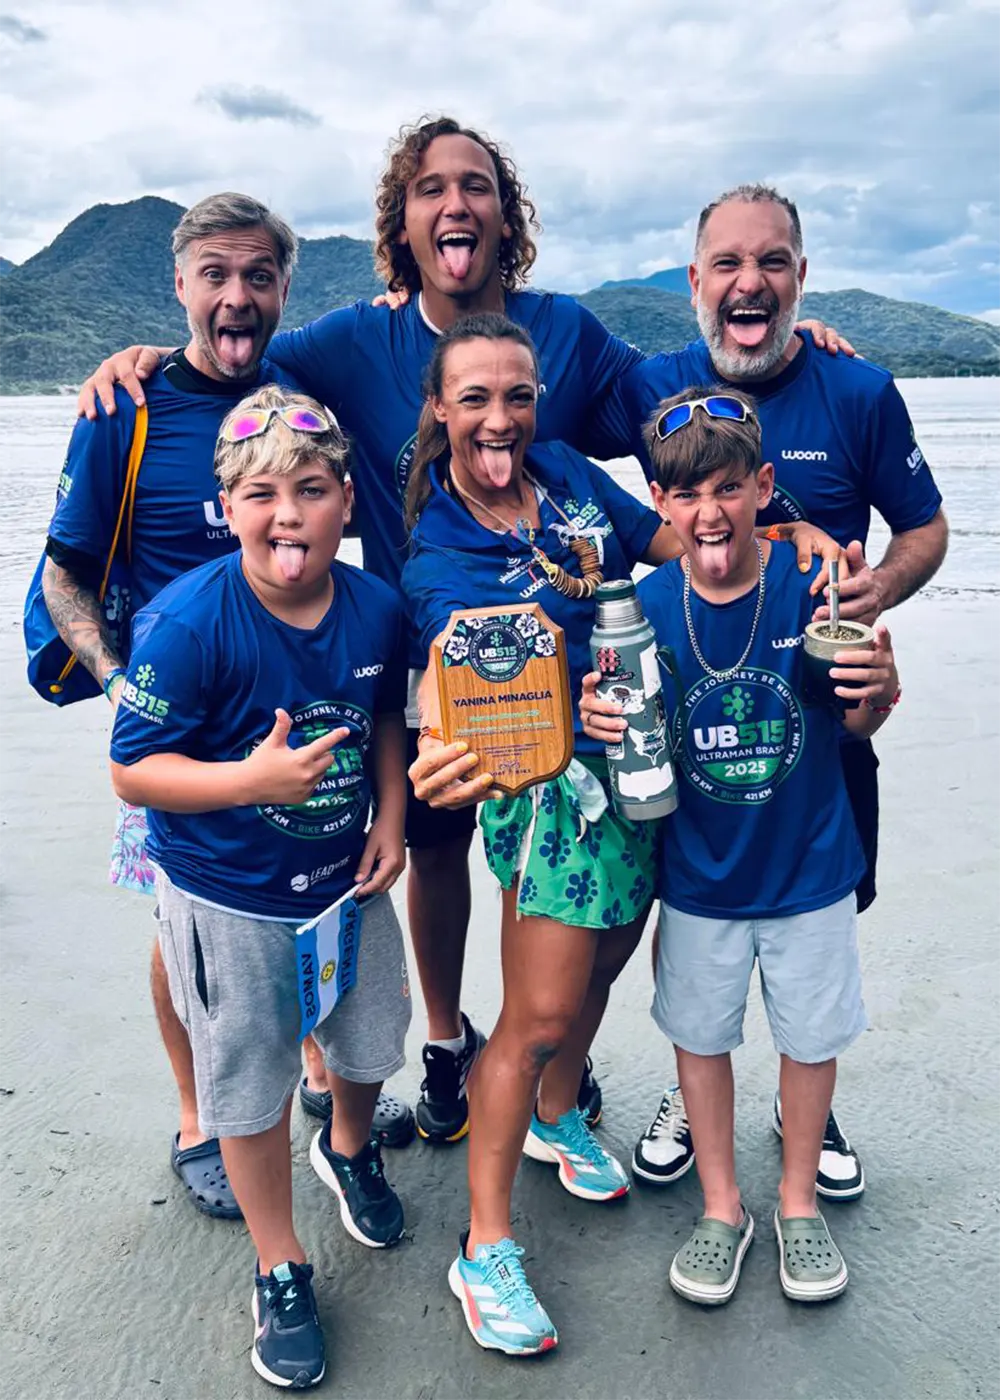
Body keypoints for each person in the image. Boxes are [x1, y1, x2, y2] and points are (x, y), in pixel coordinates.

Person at [77, 121, 846, 1148]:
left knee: (597, 907)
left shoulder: (564, 336)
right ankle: (446, 1042)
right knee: (425, 861)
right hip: (415, 675)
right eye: (431, 188)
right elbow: (238, 365)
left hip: (588, 706)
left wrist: (788, 368)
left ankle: (543, 1068)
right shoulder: (351, 338)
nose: (457, 204)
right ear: (402, 220)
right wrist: (146, 361)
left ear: (503, 212)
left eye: (477, 186)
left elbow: (677, 411)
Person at [38, 194, 418, 1231]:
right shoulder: (129, 405)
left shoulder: (299, 395)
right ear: (180, 285)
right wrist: (124, 685)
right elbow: (65, 573)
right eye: (215, 274)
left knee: (310, 916)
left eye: (257, 276)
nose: (235, 295)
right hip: (179, 726)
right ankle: (198, 1114)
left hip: (311, 712)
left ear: (284, 289)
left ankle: (308, 1071)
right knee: (187, 935)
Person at [588, 184, 947, 1197]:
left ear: (800, 275)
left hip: (823, 711)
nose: (751, 282)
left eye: (774, 262)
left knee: (820, 916)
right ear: (694, 281)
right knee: (696, 913)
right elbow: (520, 411)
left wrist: (879, 587)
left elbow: (923, 527)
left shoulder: (858, 388)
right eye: (729, 265)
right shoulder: (653, 380)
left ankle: (804, 1096)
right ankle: (691, 1090)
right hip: (693, 720)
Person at [109, 386, 410, 1389]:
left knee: (369, 1043)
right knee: (248, 1082)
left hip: (347, 883)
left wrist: (395, 816)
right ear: (229, 505)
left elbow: (382, 721)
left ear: (346, 502)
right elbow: (131, 767)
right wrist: (249, 780)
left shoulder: (375, 604)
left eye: (314, 489)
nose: (290, 514)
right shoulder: (192, 621)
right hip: (228, 899)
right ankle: (280, 1261)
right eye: (265, 492)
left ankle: (351, 1147)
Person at [402, 312, 686, 1355]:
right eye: (473, 396)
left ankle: (560, 1119)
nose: (499, 417)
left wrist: (771, 532)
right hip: (551, 796)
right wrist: (446, 734)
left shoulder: (567, 470)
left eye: (516, 394)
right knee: (536, 1013)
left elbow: (664, 538)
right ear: (440, 407)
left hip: (645, 762)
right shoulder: (440, 547)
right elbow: (455, 679)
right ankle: (484, 1246)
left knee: (608, 963)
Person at [582, 387, 902, 1305]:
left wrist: (878, 686)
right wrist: (594, 719)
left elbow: (860, 713)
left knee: (810, 1043)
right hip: (697, 880)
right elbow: (610, 732)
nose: (708, 514)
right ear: (658, 499)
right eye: (684, 497)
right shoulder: (637, 610)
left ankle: (796, 1202)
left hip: (809, 869)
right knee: (700, 1041)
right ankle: (723, 1207)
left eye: (727, 488)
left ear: (764, 485)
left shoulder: (815, 584)